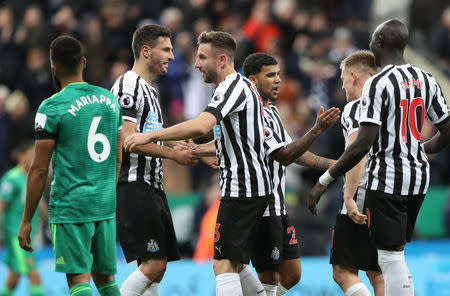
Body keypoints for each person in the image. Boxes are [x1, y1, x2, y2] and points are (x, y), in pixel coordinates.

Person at [124, 30, 274, 296]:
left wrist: (152, 135)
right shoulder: (238, 88)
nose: (196, 64)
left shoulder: (232, 86)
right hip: (250, 188)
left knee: (223, 265)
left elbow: (203, 124)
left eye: (202, 57)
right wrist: (200, 151)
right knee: (235, 262)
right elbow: (228, 140)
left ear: (222, 60)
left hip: (243, 189)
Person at [309, 19, 450, 296]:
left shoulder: (377, 83)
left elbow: (362, 143)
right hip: (419, 179)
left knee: (389, 258)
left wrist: (324, 180)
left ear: (381, 43)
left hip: (387, 179)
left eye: (373, 40)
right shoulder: (427, 78)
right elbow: (447, 129)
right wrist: (423, 149)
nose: (371, 44)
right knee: (393, 255)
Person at [17, 35, 123, 296]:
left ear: (53, 67)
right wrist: (106, 192)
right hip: (104, 202)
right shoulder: (110, 100)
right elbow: (119, 157)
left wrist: (27, 220)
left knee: (78, 279)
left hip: (71, 206)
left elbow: (39, 168)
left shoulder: (51, 108)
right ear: (83, 62)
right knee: (105, 278)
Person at [242, 52, 340, 296]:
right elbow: (284, 156)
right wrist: (317, 130)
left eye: (279, 74)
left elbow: (294, 152)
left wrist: (336, 164)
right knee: (270, 279)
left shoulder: (273, 111)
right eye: (271, 75)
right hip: (260, 206)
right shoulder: (253, 113)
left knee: (293, 274)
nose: (278, 80)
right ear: (253, 80)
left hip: (278, 205)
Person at [110, 24, 198, 296]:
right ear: (146, 51)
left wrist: (191, 150)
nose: (172, 56)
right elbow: (129, 140)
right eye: (166, 49)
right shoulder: (128, 85)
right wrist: (174, 155)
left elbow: (152, 136)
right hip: (133, 184)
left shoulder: (151, 90)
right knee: (154, 265)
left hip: (152, 186)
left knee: (155, 272)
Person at [330, 50, 384, 296]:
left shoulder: (356, 107)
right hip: (391, 190)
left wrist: (349, 196)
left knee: (343, 270)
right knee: (378, 270)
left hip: (362, 192)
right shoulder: (388, 105)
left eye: (342, 80)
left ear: (353, 76)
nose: (343, 88)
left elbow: (356, 150)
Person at [0, 141, 45, 296]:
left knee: (14, 278)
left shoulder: (33, 178)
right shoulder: (11, 178)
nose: (34, 159)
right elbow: (1, 206)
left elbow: (40, 205)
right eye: (31, 155)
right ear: (21, 156)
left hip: (29, 235)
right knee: (35, 277)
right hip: (16, 236)